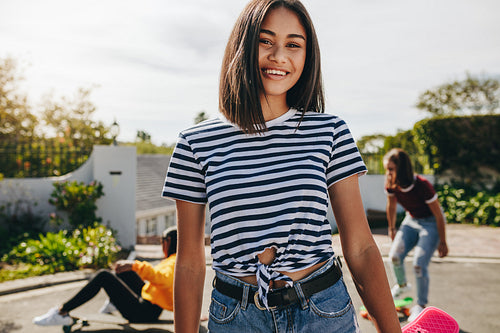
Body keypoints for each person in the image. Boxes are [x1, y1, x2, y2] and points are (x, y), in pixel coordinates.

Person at [162, 1, 402, 332]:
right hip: (236, 318)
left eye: (293, 44)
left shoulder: (330, 132)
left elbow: (360, 247)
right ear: (243, 46)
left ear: (307, 55)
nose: (279, 56)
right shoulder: (195, 142)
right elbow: (189, 263)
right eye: (265, 40)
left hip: (324, 312)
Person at [33, 226, 177, 326]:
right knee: (122, 271)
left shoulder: (173, 262)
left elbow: (162, 279)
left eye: (161, 242)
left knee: (104, 276)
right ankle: (114, 303)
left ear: (168, 242)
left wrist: (134, 265)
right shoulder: (175, 260)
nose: (161, 246)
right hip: (148, 301)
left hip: (143, 313)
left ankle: (62, 312)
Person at [383, 148, 449, 322]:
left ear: (402, 169)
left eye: (391, 169)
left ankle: (420, 305)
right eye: (386, 169)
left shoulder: (422, 185)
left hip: (431, 223)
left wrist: (443, 241)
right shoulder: (391, 182)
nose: (387, 173)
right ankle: (402, 285)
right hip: (411, 221)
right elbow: (391, 206)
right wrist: (391, 228)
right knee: (395, 256)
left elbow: (438, 214)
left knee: (419, 264)